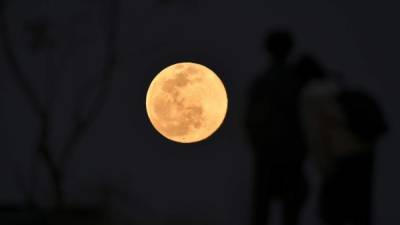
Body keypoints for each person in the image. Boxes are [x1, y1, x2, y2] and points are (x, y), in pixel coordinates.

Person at [299, 59, 387, 225]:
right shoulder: (335, 85)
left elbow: (315, 137)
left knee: (331, 214)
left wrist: (325, 167)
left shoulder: (309, 94)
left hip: (341, 157)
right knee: (360, 212)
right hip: (365, 151)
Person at [246, 29, 308, 225]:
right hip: (290, 154)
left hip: (269, 154)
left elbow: (250, 121)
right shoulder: (298, 82)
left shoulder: (262, 83)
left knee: (262, 211)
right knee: (289, 212)